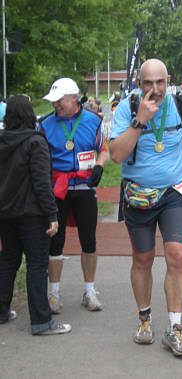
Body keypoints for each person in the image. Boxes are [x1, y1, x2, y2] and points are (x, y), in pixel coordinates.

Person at [109, 58, 182, 356]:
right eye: (149, 83)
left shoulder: (181, 107)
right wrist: (140, 121)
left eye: (160, 82)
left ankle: (175, 328)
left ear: (168, 80)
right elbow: (117, 155)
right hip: (138, 195)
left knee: (177, 255)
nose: (155, 89)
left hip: (174, 194)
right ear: (138, 82)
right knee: (143, 259)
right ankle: (145, 321)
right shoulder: (126, 109)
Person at [0, 95, 71, 335]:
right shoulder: (35, 142)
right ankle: (41, 320)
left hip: (5, 211)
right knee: (37, 265)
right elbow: (42, 183)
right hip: (32, 213)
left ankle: (2, 311)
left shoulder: (2, 141)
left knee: (8, 261)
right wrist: (52, 215)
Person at [38, 78, 108, 314]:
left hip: (84, 188)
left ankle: (89, 290)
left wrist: (99, 166)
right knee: (54, 241)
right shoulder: (45, 124)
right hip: (57, 189)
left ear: (74, 99)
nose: (56, 105)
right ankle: (54, 294)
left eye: (60, 101)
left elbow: (104, 151)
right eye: (53, 101)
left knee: (89, 241)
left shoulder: (92, 121)